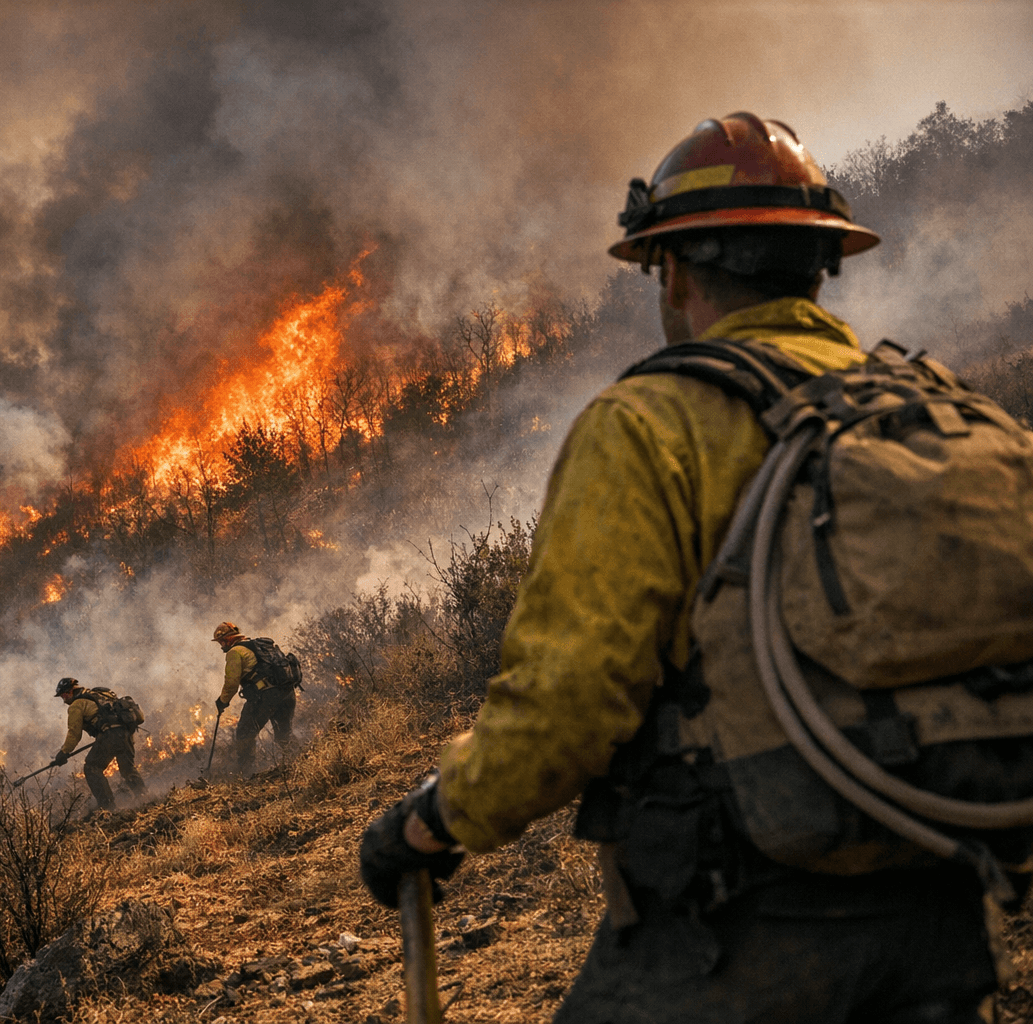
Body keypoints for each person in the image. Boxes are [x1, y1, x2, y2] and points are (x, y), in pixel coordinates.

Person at [359, 112, 1008, 1022]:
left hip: (734, 927)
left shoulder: (648, 425)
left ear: (671, 269)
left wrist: (433, 823)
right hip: (947, 917)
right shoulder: (935, 409)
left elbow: (566, 703)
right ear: (821, 264)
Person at [212, 622, 295, 773]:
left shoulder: (234, 652)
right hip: (287, 691)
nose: (221, 646)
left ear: (227, 639)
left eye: (221, 642)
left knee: (245, 733)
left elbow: (231, 683)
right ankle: (295, 764)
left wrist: (222, 702)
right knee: (284, 733)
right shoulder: (257, 646)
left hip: (265, 696)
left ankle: (247, 773)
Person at [53, 676, 146, 812]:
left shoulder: (76, 705)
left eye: (64, 695)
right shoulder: (99, 694)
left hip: (110, 736)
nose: (64, 699)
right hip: (126, 733)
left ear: (71, 691)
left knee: (92, 767)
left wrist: (64, 752)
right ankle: (144, 797)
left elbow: (74, 733)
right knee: (127, 769)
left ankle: (107, 807)